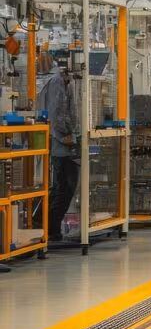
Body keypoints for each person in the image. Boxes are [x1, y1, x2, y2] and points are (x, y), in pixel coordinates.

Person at [39, 66, 79, 242]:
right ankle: (51, 230)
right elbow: (58, 113)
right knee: (64, 188)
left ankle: (50, 228)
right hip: (61, 145)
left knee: (62, 188)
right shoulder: (58, 82)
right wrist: (67, 134)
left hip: (63, 143)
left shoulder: (64, 81)